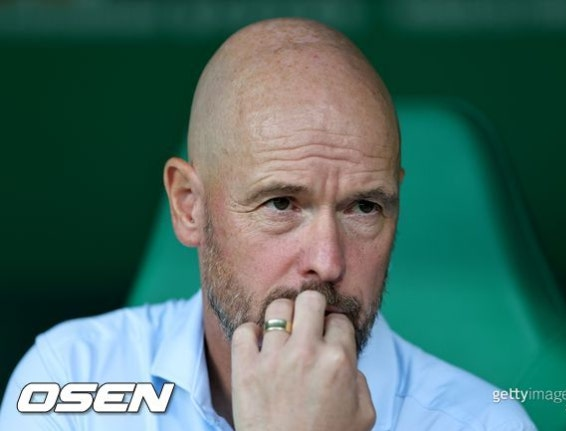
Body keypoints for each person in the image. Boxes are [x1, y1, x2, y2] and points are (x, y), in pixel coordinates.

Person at [0, 17, 536, 430]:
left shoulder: (481, 423)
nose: (327, 262)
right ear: (189, 206)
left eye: (364, 208)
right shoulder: (73, 381)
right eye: (281, 204)